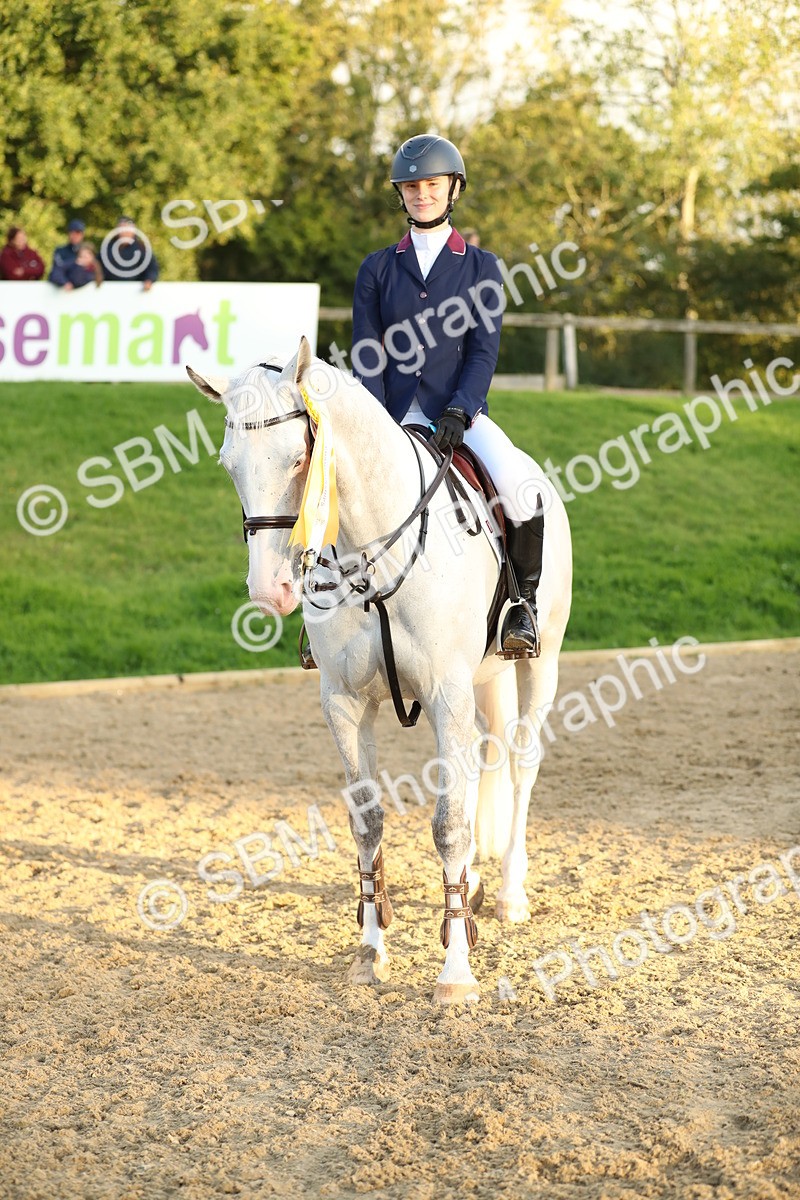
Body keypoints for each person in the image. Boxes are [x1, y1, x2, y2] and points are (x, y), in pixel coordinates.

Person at [351, 134, 544, 656]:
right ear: (401, 194)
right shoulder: (377, 268)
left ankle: (520, 607)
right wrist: (372, 421)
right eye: (411, 186)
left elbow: (483, 351)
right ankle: (325, 616)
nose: (421, 194)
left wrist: (462, 406)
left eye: (432, 184)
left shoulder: (482, 266)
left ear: (453, 188)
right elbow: (367, 353)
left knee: (520, 484)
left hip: (458, 412)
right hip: (389, 415)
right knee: (331, 486)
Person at [102, 216, 158, 289]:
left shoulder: (141, 248)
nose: (125, 233)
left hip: (135, 292)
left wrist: (149, 280)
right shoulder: (108, 248)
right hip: (110, 290)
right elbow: (99, 267)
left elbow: (152, 268)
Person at [49, 218, 86, 287]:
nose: (75, 236)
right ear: (68, 234)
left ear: (82, 235)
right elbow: (56, 273)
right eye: (72, 232)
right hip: (63, 292)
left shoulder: (87, 253)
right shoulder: (60, 251)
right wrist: (64, 282)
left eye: (78, 233)